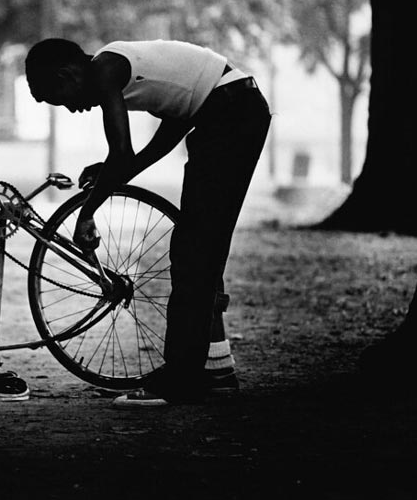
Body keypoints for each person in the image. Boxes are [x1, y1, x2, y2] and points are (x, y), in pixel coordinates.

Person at [25, 38, 271, 407]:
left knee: (193, 252)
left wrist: (88, 212)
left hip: (230, 111)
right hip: (231, 108)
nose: (73, 110)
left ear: (67, 75)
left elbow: (121, 155)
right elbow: (173, 126)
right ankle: (215, 371)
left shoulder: (107, 71)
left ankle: (180, 380)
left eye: (61, 98)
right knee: (202, 248)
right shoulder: (122, 68)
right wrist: (116, 171)